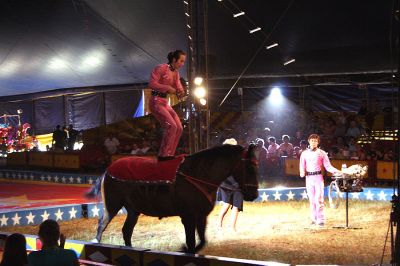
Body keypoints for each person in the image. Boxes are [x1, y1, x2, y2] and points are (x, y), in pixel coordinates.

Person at [148, 50, 186, 161]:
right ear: (174, 59)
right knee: (171, 126)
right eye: (181, 61)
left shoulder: (176, 73)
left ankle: (170, 154)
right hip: (155, 101)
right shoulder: (161, 68)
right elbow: (152, 83)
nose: (182, 64)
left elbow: (178, 85)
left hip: (164, 102)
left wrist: (181, 91)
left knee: (179, 127)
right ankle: (163, 155)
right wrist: (168, 88)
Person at [299, 134, 341, 227]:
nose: (313, 142)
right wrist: (302, 172)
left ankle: (320, 219)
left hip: (318, 177)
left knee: (319, 199)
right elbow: (302, 165)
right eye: (312, 140)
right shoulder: (304, 153)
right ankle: (313, 218)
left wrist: (336, 171)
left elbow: (328, 166)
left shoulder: (322, 153)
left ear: (318, 142)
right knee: (312, 199)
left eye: (315, 141)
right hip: (309, 178)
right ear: (309, 141)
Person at [217, 138, 244, 232]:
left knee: (236, 206)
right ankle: (219, 224)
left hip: (238, 186)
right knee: (226, 205)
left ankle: (233, 228)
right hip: (226, 185)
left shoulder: (238, 158)